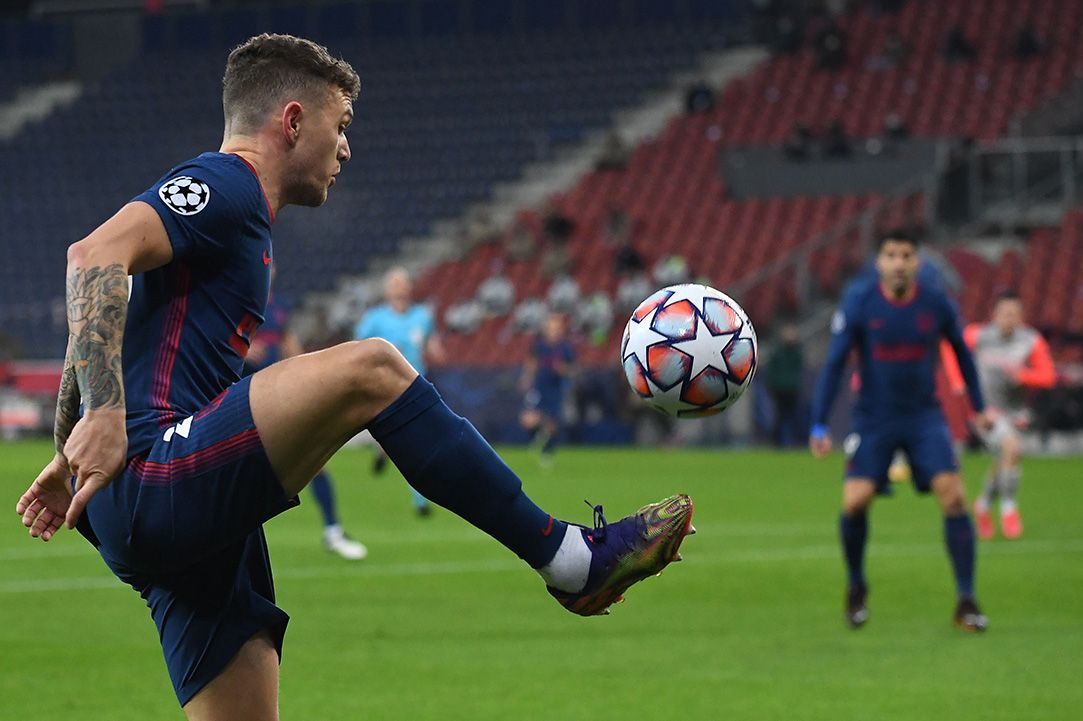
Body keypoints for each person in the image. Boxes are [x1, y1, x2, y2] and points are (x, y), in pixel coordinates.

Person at [16, 34, 695, 718]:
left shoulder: (244, 219)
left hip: (174, 511)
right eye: (339, 128)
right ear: (292, 122)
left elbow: (118, 312)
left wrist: (69, 441)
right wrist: (101, 419)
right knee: (371, 367)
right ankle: (570, 559)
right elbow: (93, 256)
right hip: (157, 477)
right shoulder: (228, 185)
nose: (346, 149)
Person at [809, 230, 991, 632]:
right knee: (855, 502)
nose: (898, 263)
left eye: (906, 255)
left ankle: (966, 599)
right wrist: (820, 423)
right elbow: (836, 363)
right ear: (879, 262)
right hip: (874, 418)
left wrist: (979, 408)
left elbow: (962, 354)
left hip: (924, 416)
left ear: (917, 263)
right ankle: (856, 587)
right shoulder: (860, 301)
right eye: (890, 255)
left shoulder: (936, 302)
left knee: (954, 496)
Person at [245, 268, 367, 559]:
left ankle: (333, 530)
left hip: (277, 394)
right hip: (244, 396)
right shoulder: (239, 299)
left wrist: (306, 371)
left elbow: (288, 343)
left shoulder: (278, 306)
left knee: (315, 460)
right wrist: (244, 351)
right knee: (245, 471)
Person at [963, 291, 1056, 541]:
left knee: (1005, 460)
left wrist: (1023, 375)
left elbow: (1048, 376)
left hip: (1015, 412)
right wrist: (958, 383)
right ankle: (1009, 508)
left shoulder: (1030, 340)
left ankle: (982, 506)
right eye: (1005, 313)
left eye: (1014, 314)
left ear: (1021, 317)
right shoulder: (978, 335)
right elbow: (949, 348)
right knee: (1013, 449)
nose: (1009, 319)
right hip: (987, 412)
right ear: (994, 315)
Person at [355, 265, 446, 517]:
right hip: (384, 388)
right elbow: (357, 347)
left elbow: (430, 341)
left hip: (416, 385)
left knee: (416, 443)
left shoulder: (422, 316)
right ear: (386, 289)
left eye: (402, 282)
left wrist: (436, 349)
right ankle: (384, 451)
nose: (398, 287)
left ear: (409, 287)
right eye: (393, 283)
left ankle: (419, 499)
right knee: (410, 443)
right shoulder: (375, 319)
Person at [519, 312, 576, 467]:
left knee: (552, 424)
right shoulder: (539, 346)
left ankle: (547, 453)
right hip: (539, 386)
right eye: (550, 327)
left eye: (556, 327)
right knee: (529, 420)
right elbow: (531, 363)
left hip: (555, 388)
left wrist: (563, 370)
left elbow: (572, 369)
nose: (553, 330)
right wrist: (526, 378)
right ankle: (537, 438)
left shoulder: (565, 348)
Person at [764, 322, 806, 446]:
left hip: (792, 388)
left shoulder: (795, 351)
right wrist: (771, 385)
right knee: (779, 416)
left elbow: (799, 363)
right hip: (780, 389)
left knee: (794, 416)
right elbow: (771, 370)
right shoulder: (777, 351)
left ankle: (797, 441)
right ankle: (776, 442)